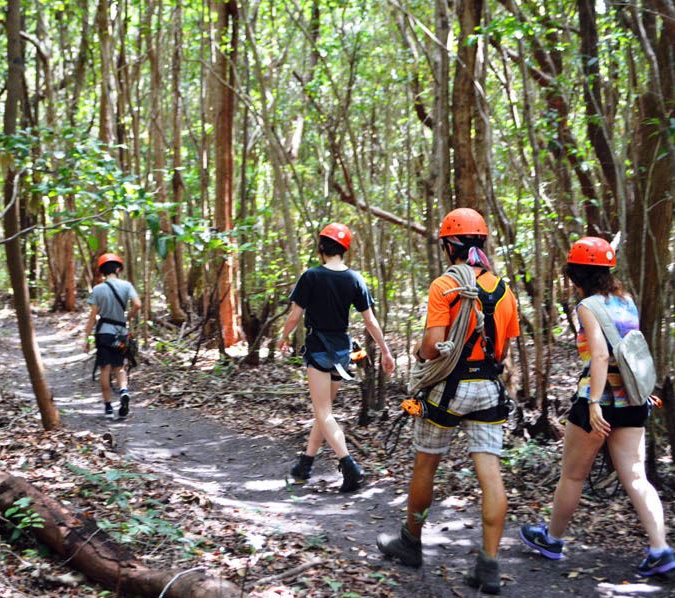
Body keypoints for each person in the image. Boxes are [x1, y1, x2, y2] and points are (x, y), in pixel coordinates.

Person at [376, 208, 519, 595]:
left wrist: (421, 355)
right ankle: (488, 564)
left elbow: (431, 347)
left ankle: (410, 543)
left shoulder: (445, 285)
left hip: (447, 391)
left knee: (426, 465)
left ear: (449, 246)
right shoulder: (504, 290)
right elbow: (502, 351)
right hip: (488, 391)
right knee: (490, 473)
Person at [519, 237, 672, 576]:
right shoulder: (626, 301)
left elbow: (600, 355)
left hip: (599, 402)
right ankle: (660, 548)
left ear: (577, 275)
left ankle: (552, 540)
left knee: (573, 475)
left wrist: (593, 403)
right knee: (636, 476)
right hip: (632, 400)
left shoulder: (587, 306)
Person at [279, 223, 395, 493]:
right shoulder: (355, 279)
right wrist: (386, 351)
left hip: (319, 349)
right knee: (325, 413)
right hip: (342, 352)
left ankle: (349, 466)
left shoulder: (311, 276)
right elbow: (370, 321)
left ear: (321, 247)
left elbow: (295, 316)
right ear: (344, 249)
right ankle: (305, 465)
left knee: (323, 412)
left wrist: (283, 337)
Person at [83, 253, 141, 419]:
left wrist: (86, 338)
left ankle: (108, 407)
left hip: (104, 334)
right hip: (121, 335)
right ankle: (123, 391)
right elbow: (137, 304)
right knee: (119, 367)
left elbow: (93, 316)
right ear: (118, 269)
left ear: (102, 271)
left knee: (105, 369)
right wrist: (127, 318)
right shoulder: (127, 285)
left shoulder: (98, 289)